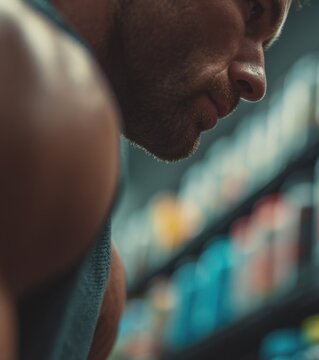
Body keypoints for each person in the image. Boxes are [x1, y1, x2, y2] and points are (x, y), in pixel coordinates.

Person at [0, 0, 292, 358]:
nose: (258, 79)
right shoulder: (31, 75)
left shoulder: (104, 286)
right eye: (252, 10)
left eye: (264, 45)